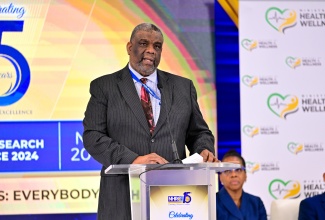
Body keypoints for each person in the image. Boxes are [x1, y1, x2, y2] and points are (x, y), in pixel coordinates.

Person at [83, 23, 217, 220]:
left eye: (157, 46)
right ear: (130, 47)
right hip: (122, 197)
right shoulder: (104, 87)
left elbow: (199, 133)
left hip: (173, 199)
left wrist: (204, 149)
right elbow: (93, 136)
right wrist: (134, 160)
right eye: (143, 43)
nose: (150, 51)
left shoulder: (182, 87)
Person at [216, 149, 267, 220]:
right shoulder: (212, 202)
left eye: (238, 170)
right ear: (220, 177)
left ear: (245, 175)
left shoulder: (256, 203)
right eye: (228, 170)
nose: (233, 175)